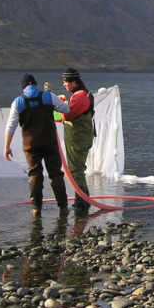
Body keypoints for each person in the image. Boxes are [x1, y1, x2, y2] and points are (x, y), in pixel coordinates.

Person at [3, 74, 71, 216]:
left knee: (34, 174)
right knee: (56, 174)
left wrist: (6, 146)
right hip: (50, 143)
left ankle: (36, 208)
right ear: (35, 84)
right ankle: (63, 207)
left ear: (23, 88)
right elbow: (66, 109)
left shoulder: (18, 102)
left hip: (31, 145)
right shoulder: (48, 96)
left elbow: (11, 126)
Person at [60, 67, 95, 212]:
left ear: (73, 82)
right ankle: (81, 200)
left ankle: (82, 202)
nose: (64, 85)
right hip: (80, 138)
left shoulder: (79, 96)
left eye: (65, 82)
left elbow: (68, 115)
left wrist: (60, 105)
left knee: (76, 171)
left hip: (78, 140)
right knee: (76, 170)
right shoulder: (84, 94)